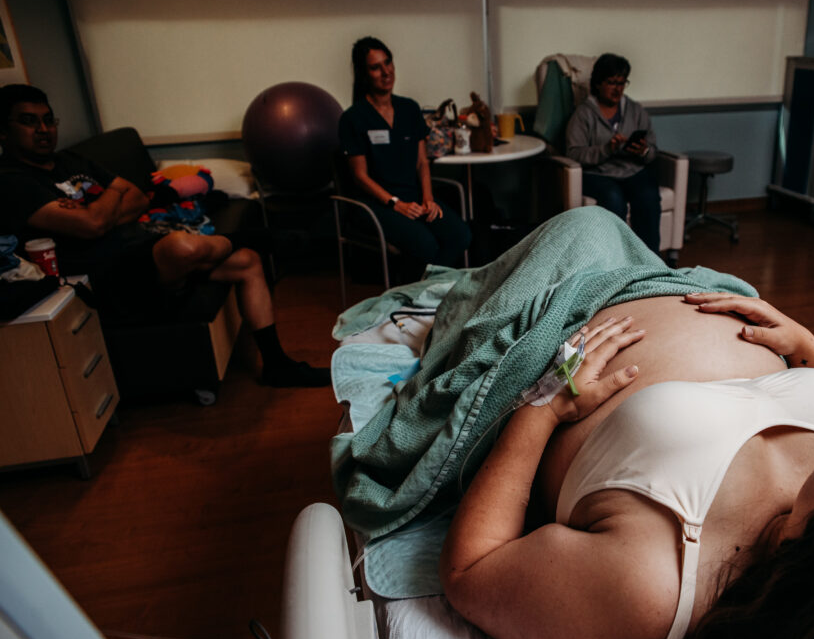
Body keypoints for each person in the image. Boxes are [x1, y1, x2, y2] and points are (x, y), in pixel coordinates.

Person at [439, 292, 814, 639]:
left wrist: (543, 408)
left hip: (574, 304)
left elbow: (472, 571)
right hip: (699, 284)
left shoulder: (653, 590)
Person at [0, 84, 330, 388]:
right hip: (105, 277)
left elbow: (138, 197)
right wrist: (111, 197)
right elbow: (92, 226)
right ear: (4, 129)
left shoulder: (69, 161)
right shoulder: (12, 181)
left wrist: (101, 205)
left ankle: (277, 365)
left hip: (137, 251)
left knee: (247, 261)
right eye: (29, 122)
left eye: (48, 120)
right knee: (182, 245)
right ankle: (261, 237)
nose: (43, 130)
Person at [337, 36, 471, 279]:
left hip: (415, 197)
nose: (386, 72)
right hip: (377, 204)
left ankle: (424, 290)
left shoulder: (409, 109)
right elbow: (359, 176)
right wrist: (395, 203)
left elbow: (422, 162)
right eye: (376, 67)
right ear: (364, 73)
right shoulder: (353, 118)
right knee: (426, 245)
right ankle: (419, 294)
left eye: (388, 63)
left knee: (460, 235)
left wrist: (429, 199)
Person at [565, 53, 662, 253]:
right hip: (598, 173)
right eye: (611, 82)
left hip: (631, 170)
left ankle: (650, 261)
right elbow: (573, 154)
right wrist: (606, 149)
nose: (617, 88)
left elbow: (653, 152)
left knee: (649, 195)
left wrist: (643, 151)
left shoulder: (636, 111)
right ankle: (615, 259)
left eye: (622, 82)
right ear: (598, 83)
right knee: (613, 198)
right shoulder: (583, 114)